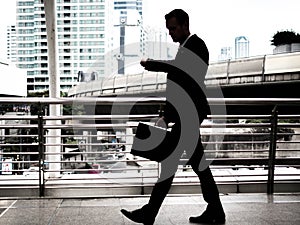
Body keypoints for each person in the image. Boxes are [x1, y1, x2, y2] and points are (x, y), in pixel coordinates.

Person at [121, 9, 225, 224]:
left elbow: (183, 73)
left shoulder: (197, 46)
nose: (170, 33)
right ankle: (216, 210)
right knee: (198, 165)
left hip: (189, 116)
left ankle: (149, 213)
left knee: (171, 165)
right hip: (185, 115)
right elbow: (181, 86)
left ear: (185, 25)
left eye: (173, 28)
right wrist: (166, 116)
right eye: (168, 29)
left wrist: (154, 64)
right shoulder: (185, 48)